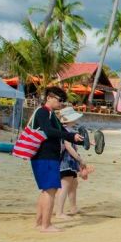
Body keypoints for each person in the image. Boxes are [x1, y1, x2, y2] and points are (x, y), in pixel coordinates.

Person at [30, 87, 82, 233]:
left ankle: (40, 222)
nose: (61, 103)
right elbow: (49, 131)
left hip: (46, 156)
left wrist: (75, 138)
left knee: (46, 190)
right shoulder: (43, 112)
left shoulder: (51, 114)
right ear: (49, 98)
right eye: (60, 100)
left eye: (62, 101)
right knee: (50, 191)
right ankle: (46, 225)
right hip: (45, 156)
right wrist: (70, 137)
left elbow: (62, 132)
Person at [55, 107, 86, 219]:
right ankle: (59, 212)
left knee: (73, 184)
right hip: (66, 161)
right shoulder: (65, 131)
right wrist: (80, 159)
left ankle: (73, 207)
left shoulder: (69, 130)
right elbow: (68, 147)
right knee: (65, 186)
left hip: (69, 161)